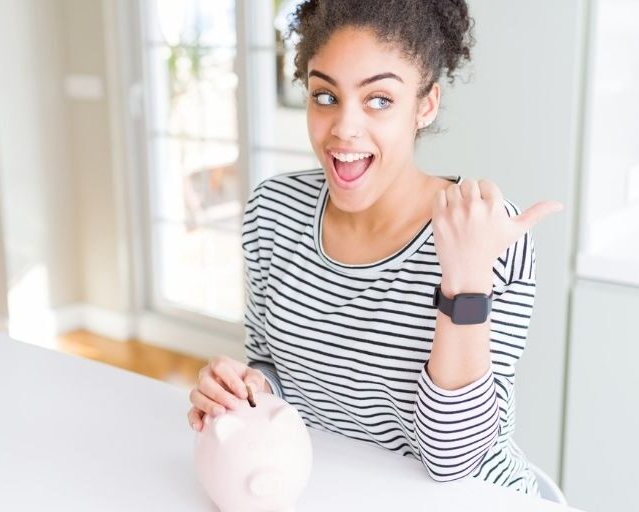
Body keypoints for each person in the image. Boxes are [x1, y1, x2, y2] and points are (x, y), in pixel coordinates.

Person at [188, 0, 563, 495]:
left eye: (379, 100)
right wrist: (248, 389)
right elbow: (271, 367)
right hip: (329, 485)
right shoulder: (273, 212)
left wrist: (466, 280)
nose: (344, 128)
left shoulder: (487, 235)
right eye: (325, 96)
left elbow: (453, 460)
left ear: (425, 105)